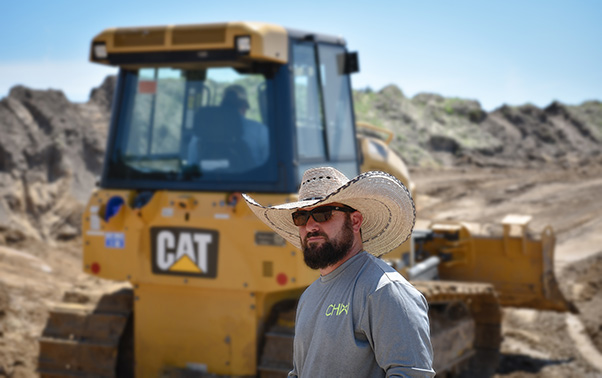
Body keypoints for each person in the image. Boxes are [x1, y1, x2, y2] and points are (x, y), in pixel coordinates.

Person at [243, 167, 435, 377]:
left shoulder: (384, 290)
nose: (310, 226)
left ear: (354, 221)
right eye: (301, 217)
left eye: (322, 214)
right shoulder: (309, 297)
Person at [220, 84, 269, 165]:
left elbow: (193, 164)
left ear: (221, 106)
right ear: (244, 107)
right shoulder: (259, 130)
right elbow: (270, 164)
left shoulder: (202, 131)